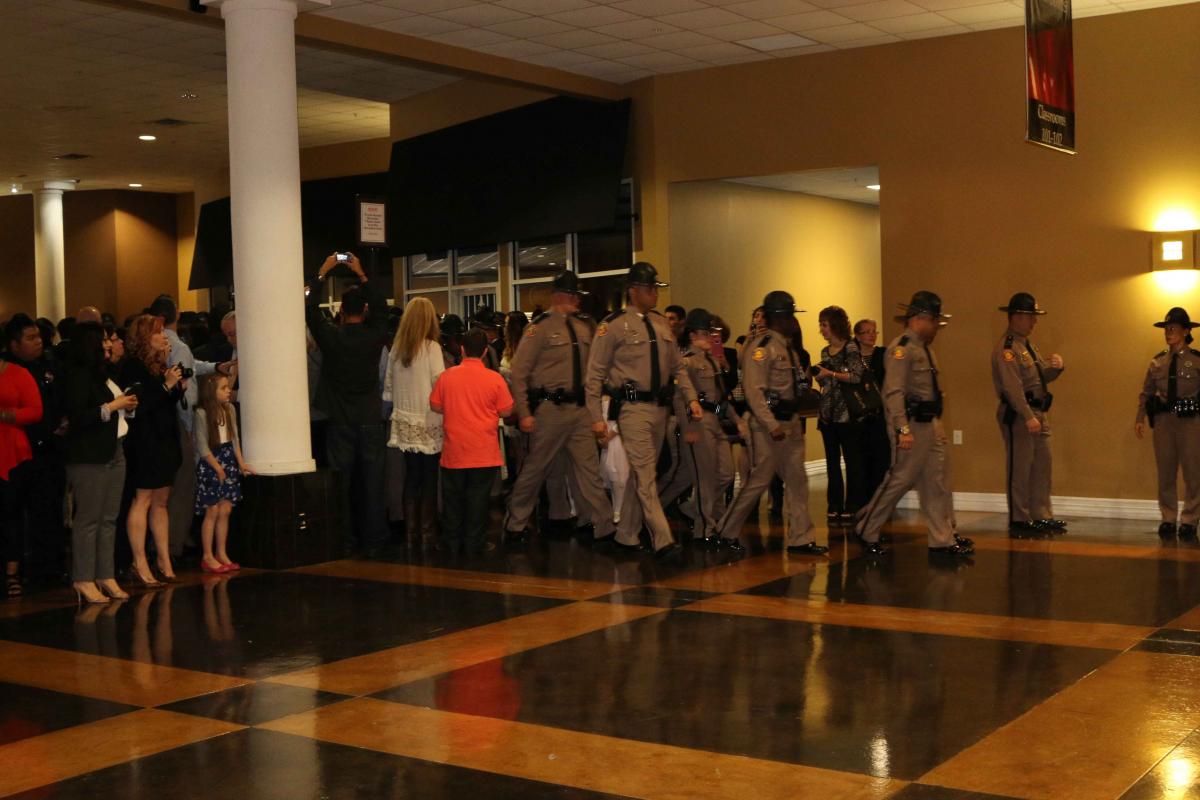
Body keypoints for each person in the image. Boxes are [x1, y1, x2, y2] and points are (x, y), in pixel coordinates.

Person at [584, 262, 700, 561]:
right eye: (649, 289)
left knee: (642, 474)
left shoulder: (661, 324)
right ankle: (663, 540)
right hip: (632, 409)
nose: (655, 294)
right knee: (646, 474)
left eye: (656, 289)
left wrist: (691, 399)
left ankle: (626, 535)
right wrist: (596, 418)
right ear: (633, 291)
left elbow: (678, 368)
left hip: (660, 408)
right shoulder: (613, 325)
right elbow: (594, 375)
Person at [854, 291, 973, 558]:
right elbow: (893, 392)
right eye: (935, 321)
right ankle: (866, 528)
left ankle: (942, 539)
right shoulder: (901, 349)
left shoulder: (925, 348)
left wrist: (936, 424)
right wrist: (902, 429)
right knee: (899, 480)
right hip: (910, 426)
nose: (937, 327)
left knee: (936, 482)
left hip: (929, 425)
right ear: (921, 318)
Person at [504, 271, 616, 544]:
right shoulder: (539, 328)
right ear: (560, 295)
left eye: (578, 295)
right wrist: (525, 412)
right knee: (536, 469)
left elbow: (594, 369)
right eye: (573, 295)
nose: (577, 300)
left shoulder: (585, 326)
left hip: (580, 410)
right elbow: (519, 372)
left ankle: (601, 526)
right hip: (550, 410)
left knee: (589, 471)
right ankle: (515, 524)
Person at [713, 291, 826, 556]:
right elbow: (753, 391)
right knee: (758, 481)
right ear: (779, 317)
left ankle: (801, 538)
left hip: (790, 422)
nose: (793, 321)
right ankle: (726, 531)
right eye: (789, 316)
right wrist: (771, 423)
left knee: (797, 481)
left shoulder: (787, 347)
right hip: (768, 427)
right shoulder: (761, 348)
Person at [306, 253, 390, 558]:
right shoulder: (375, 337)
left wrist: (322, 273)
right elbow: (382, 310)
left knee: (342, 483)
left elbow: (310, 312)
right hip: (369, 417)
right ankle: (375, 540)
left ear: (340, 310)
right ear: (364, 310)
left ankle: (346, 539)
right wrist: (362, 275)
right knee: (373, 482)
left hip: (340, 419)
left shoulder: (332, 338)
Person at [148, 295, 235, 562]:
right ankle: (175, 545)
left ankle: (167, 543)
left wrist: (213, 366)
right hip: (180, 421)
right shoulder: (176, 345)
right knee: (182, 487)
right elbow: (186, 386)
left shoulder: (167, 348)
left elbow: (190, 367)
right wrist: (190, 427)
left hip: (163, 424)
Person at [62, 321, 137, 604]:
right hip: (89, 455)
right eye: (104, 339)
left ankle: (106, 575)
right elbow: (79, 418)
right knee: (88, 520)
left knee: (108, 519)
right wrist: (113, 406)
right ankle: (83, 578)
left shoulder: (103, 373)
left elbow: (111, 411)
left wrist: (125, 406)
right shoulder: (77, 375)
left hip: (114, 449)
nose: (109, 343)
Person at [661, 308, 745, 543]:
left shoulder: (712, 361)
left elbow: (721, 397)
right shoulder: (686, 362)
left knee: (725, 474)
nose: (711, 337)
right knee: (703, 478)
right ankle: (704, 530)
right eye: (706, 333)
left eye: (712, 332)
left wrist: (737, 421)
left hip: (714, 421)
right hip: (696, 423)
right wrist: (688, 427)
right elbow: (680, 399)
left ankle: (691, 509)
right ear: (693, 334)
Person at [429, 328, 514, 556]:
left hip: (454, 450)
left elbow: (435, 405)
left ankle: (451, 542)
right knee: (478, 500)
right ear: (485, 351)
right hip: (483, 452)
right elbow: (506, 411)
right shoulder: (494, 379)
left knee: (453, 499)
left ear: (462, 349)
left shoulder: (447, 376)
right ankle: (474, 543)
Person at [120, 314, 187, 586]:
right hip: (144, 441)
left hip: (165, 439)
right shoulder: (132, 367)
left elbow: (165, 401)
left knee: (161, 501)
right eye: (158, 332)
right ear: (144, 338)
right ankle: (139, 561)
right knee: (143, 499)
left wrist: (175, 386)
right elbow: (139, 405)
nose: (163, 337)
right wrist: (166, 386)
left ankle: (164, 560)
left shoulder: (159, 366)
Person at [993, 292, 1066, 534]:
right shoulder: (1007, 349)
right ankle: (1019, 519)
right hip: (1020, 416)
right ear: (1016, 317)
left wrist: (1055, 369)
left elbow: (1037, 378)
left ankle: (1040, 514)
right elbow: (1012, 388)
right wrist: (1027, 416)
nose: (1034, 321)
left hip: (1037, 412)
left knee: (1042, 467)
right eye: (1031, 316)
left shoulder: (1027, 346)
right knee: (1021, 469)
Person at [3, 313, 68, 580]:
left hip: (51, 449)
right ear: (14, 345)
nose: (38, 342)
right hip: (20, 450)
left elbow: (60, 399)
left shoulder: (49, 365)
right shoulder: (9, 370)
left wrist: (65, 420)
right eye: (30, 338)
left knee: (50, 509)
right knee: (15, 512)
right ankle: (19, 567)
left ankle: (50, 566)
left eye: (38, 336)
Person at [383, 297, 446, 548]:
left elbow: (388, 390)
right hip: (429, 419)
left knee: (411, 477)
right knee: (429, 477)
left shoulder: (396, 349)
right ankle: (427, 533)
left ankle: (410, 535)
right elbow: (440, 384)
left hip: (405, 419)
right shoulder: (432, 348)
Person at [1136, 307, 1200, 540]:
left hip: (1190, 422)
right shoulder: (1158, 361)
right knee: (1165, 472)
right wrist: (1140, 417)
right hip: (1164, 422)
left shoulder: (1196, 360)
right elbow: (1146, 392)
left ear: (1186, 331)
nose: (1168, 332)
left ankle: (1190, 519)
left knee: (1193, 472)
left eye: (1173, 328)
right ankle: (1168, 517)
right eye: (1166, 328)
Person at [194, 374, 252, 573]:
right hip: (211, 462)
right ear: (211, 391)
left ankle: (221, 552)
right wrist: (217, 467)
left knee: (225, 510)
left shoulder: (229, 409)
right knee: (212, 510)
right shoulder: (202, 413)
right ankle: (207, 555)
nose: (228, 391)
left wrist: (241, 462)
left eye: (228, 387)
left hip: (228, 460)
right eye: (223, 388)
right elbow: (202, 446)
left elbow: (234, 439)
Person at [815, 306, 867, 526]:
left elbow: (856, 377)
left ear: (835, 325)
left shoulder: (851, 348)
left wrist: (831, 374)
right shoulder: (825, 351)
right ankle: (834, 504)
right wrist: (821, 377)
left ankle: (852, 504)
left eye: (824, 325)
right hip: (828, 414)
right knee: (832, 463)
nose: (821, 329)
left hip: (848, 414)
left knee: (852, 461)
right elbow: (828, 381)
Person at [0, 351, 42, 598]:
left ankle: (12, 573)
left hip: (11, 450)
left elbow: (35, 411)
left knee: (11, 513)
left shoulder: (18, 373)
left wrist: (6, 415)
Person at [854, 318, 891, 501]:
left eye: (873, 331)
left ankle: (879, 499)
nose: (871, 335)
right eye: (866, 332)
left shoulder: (883, 354)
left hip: (879, 412)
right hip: (858, 413)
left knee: (881, 456)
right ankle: (862, 500)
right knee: (861, 458)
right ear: (857, 336)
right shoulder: (852, 357)